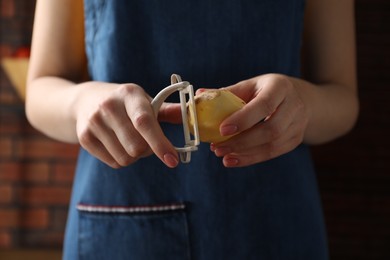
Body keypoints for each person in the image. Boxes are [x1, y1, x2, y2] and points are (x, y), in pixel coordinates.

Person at [26, 0, 358, 259]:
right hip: (122, 220)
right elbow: (40, 89)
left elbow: (343, 97)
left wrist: (304, 105)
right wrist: (81, 102)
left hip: (271, 221)